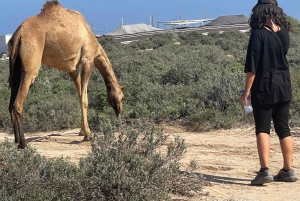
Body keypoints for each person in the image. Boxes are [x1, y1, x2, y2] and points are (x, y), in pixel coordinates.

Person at [240, 0, 298, 185]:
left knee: (263, 128)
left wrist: (246, 91)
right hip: (284, 85)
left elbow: (252, 67)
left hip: (264, 86)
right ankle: (288, 170)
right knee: (283, 128)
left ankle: (265, 171)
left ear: (259, 11)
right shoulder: (284, 33)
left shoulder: (257, 34)